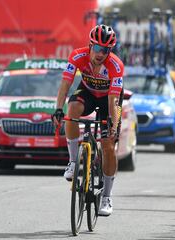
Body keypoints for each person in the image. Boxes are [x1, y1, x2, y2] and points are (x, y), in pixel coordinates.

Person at [51, 24, 124, 216]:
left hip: (110, 99)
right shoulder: (77, 56)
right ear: (90, 45)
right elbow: (65, 84)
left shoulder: (115, 65)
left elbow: (113, 100)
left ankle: (107, 197)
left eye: (106, 50)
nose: (101, 53)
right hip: (88, 93)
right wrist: (58, 109)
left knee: (108, 144)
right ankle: (74, 162)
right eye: (98, 48)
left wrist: (113, 125)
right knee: (71, 109)